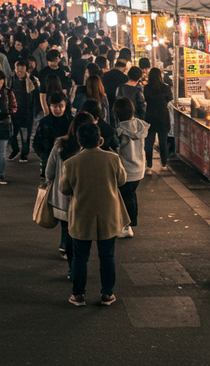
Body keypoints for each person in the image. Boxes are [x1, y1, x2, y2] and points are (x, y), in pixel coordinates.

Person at [61, 122, 129, 307]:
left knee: (80, 257)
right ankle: (107, 294)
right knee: (107, 256)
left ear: (79, 141)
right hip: (108, 215)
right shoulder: (113, 158)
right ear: (100, 140)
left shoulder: (70, 163)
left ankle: (78, 295)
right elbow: (122, 180)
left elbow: (64, 189)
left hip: (81, 215)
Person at [46, 112, 98, 270]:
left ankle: (71, 267)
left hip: (62, 200)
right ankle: (80, 265)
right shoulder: (91, 150)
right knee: (81, 235)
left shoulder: (60, 144)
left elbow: (49, 172)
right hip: (83, 200)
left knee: (67, 231)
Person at [114, 98, 149, 238]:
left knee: (125, 197)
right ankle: (127, 225)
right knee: (131, 195)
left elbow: (117, 150)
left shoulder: (120, 130)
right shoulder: (141, 125)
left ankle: (127, 226)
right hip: (139, 167)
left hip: (126, 169)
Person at [33, 92, 73, 179]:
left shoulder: (72, 122)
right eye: (55, 106)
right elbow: (36, 142)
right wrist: (43, 156)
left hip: (68, 162)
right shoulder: (44, 122)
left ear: (65, 106)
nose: (58, 109)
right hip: (48, 161)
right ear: (50, 106)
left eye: (61, 106)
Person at [143, 67, 174, 174]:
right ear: (160, 76)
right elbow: (170, 98)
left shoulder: (146, 88)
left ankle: (149, 166)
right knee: (163, 142)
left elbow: (145, 99)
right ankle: (164, 164)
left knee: (149, 142)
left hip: (150, 116)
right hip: (163, 117)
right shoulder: (165, 88)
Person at [8, 59, 39, 162]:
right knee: (12, 134)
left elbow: (36, 96)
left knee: (25, 135)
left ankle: (24, 154)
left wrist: (34, 112)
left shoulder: (32, 80)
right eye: (17, 69)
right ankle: (15, 150)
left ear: (26, 69)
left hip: (27, 112)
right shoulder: (10, 79)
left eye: (21, 69)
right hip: (13, 112)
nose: (19, 71)